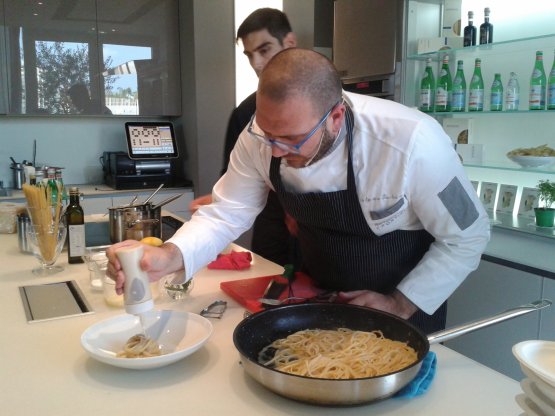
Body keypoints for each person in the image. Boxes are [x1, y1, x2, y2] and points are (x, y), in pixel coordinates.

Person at [108, 48, 490, 334]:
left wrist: (400, 303)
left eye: (292, 139)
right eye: (267, 134)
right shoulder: (259, 138)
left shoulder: (414, 144)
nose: (275, 151)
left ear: (335, 117)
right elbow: (227, 212)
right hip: (322, 297)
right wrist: (171, 256)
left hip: (404, 305)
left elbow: (468, 235)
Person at [189, 8, 298, 267]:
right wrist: (220, 201)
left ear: (290, 43)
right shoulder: (246, 113)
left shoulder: (333, 100)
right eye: (250, 55)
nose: (257, 64)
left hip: (324, 243)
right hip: (272, 237)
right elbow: (233, 183)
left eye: (265, 50)